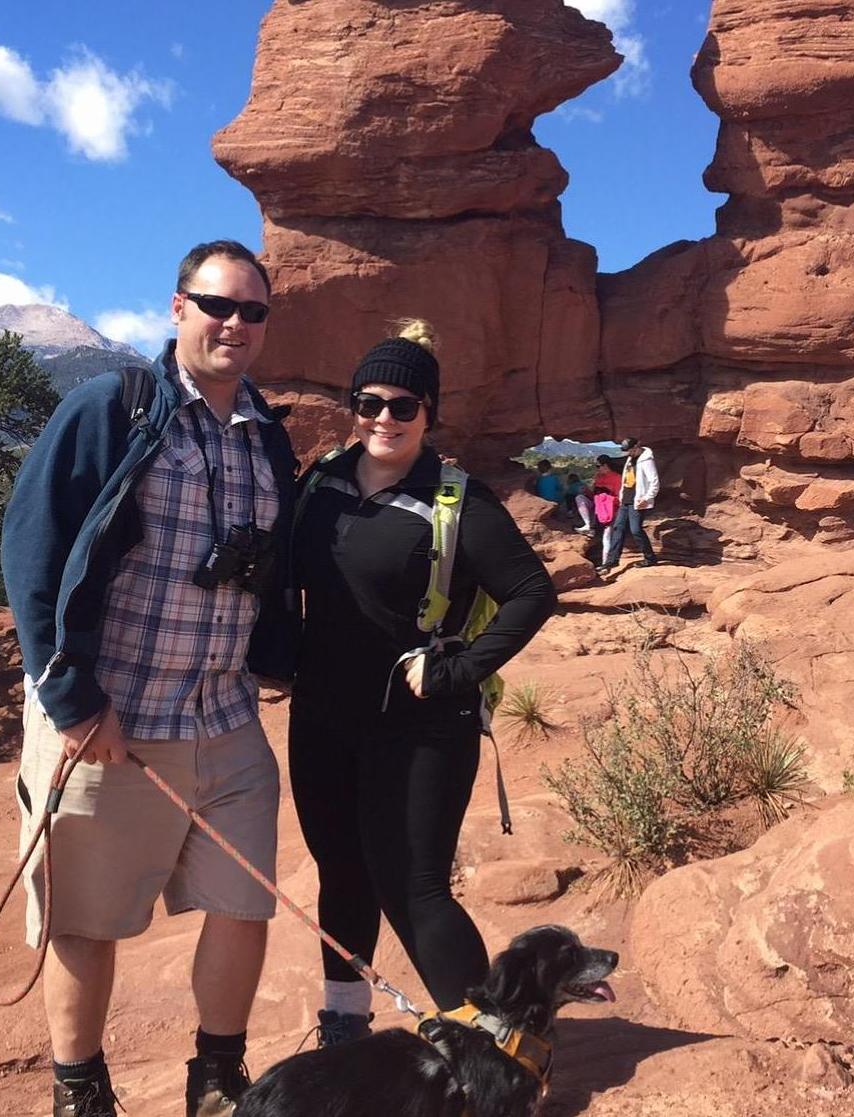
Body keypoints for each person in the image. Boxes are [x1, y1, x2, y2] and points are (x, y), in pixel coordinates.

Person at [1, 240, 299, 1117]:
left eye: (252, 311)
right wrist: (70, 699)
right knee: (85, 917)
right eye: (217, 305)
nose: (234, 324)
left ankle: (216, 1079)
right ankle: (80, 1089)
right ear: (177, 308)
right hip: (112, 721)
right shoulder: (115, 407)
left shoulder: (268, 435)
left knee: (245, 902)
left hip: (224, 718)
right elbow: (31, 547)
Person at [288, 319, 557, 1046]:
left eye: (403, 405)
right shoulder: (321, 484)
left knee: (413, 886)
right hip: (323, 716)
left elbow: (532, 591)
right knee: (342, 871)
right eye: (368, 402)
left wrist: (459, 669)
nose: (384, 418)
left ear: (428, 413)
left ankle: (496, 1046)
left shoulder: (457, 500)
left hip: (419, 724)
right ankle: (345, 1025)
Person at [596, 437, 659, 575]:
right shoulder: (630, 459)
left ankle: (650, 558)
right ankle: (611, 561)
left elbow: (654, 481)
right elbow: (626, 479)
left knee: (636, 530)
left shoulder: (646, 459)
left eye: (630, 450)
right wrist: (621, 496)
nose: (628, 453)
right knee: (618, 528)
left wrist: (647, 498)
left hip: (638, 501)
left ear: (637, 446)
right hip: (626, 500)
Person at [591, 453, 622, 568]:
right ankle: (588, 526)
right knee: (580, 499)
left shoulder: (617, 478)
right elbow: (593, 494)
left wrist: (607, 498)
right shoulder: (598, 477)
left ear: (605, 465)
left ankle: (606, 563)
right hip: (598, 510)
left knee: (607, 536)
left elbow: (620, 498)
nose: (597, 469)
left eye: (598, 466)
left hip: (611, 511)